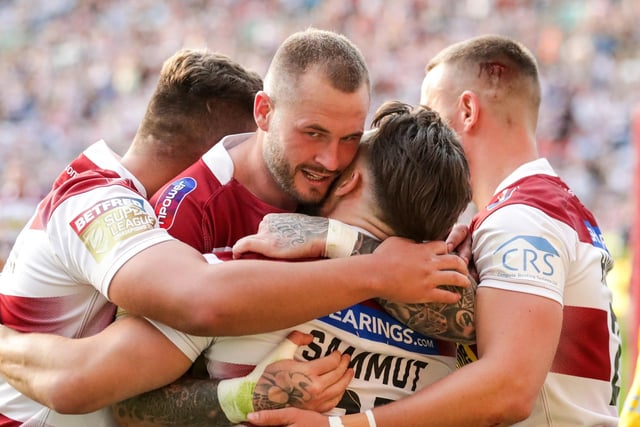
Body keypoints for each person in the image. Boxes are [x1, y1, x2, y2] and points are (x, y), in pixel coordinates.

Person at [0, 29, 470, 426]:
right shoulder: (143, 208)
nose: (331, 160)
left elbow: (479, 319)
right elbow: (115, 383)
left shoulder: (327, 203)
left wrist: (346, 243)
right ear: (262, 117)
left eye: (349, 139)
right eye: (312, 134)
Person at [242, 34, 622, 427]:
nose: (422, 130)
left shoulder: (521, 218)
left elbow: (509, 388)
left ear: (468, 110)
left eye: (430, 109)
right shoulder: (545, 206)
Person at [111, 100, 474, 426]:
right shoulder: (452, 323)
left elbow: (128, 405)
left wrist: (243, 398)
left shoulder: (243, 269)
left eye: (348, 152)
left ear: (350, 181)